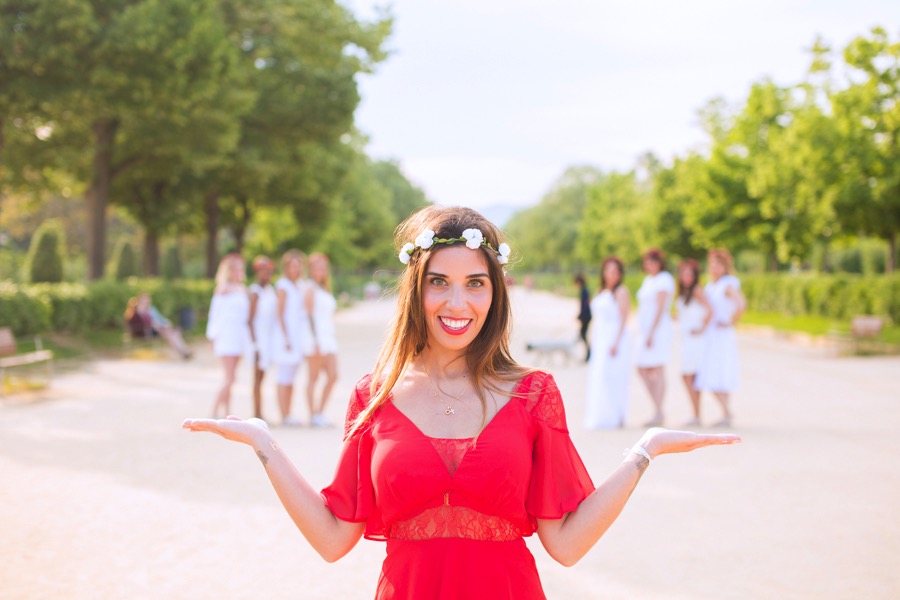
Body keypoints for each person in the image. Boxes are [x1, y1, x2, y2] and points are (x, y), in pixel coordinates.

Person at [183, 206, 740, 600]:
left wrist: (643, 453)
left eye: (476, 283)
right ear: (415, 290)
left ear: (494, 292)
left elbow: (565, 544)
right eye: (439, 282)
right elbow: (334, 539)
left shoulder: (533, 394)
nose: (458, 301)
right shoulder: (372, 398)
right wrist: (265, 443)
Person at [694, 249, 746, 427]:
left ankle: (726, 412)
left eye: (719, 265)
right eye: (713, 265)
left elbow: (741, 305)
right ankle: (726, 412)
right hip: (712, 335)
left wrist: (730, 321)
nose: (715, 268)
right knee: (711, 372)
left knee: (720, 371)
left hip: (722, 335)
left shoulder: (727, 284)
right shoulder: (712, 284)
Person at [584, 257, 632, 429]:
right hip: (601, 337)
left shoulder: (621, 292)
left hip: (614, 338)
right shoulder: (602, 291)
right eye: (609, 271)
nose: (612, 275)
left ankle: (615, 415)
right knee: (600, 376)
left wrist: (615, 342)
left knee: (613, 376)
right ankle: (602, 414)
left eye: (615, 272)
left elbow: (624, 318)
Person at [205, 253, 251, 418]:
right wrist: (213, 337)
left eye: (240, 269)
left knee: (232, 377)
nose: (238, 272)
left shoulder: (242, 289)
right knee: (229, 377)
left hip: (239, 336)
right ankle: (214, 410)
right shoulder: (222, 290)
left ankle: (227, 412)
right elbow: (215, 314)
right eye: (235, 269)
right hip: (226, 336)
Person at [635, 248, 676, 427]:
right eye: (647, 262)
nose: (650, 265)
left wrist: (651, 331)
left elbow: (660, 308)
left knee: (657, 368)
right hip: (645, 330)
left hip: (657, 330)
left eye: (653, 262)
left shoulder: (664, 279)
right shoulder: (648, 280)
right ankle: (657, 408)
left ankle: (658, 411)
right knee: (642, 368)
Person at [271, 250, 308, 426]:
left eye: (298, 264)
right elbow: (280, 313)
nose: (296, 268)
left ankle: (289, 412)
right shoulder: (283, 285)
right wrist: (286, 338)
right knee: (283, 377)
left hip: (298, 336)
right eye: (292, 265)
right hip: (286, 337)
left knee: (292, 378)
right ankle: (283, 414)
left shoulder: (300, 285)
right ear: (286, 267)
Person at [302, 252, 339, 428]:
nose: (320, 270)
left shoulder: (324, 288)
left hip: (328, 337)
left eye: (323, 267)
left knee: (333, 376)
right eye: (317, 267)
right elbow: (308, 316)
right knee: (313, 377)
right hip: (315, 338)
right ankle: (313, 415)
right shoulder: (309, 288)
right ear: (311, 269)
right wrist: (315, 340)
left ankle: (320, 412)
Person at [674, 259, 712, 426]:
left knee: (690, 376)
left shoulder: (697, 290)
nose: (686, 277)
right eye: (684, 274)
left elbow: (710, 310)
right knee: (688, 376)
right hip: (687, 340)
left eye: (690, 274)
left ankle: (696, 413)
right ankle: (696, 413)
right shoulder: (684, 292)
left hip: (696, 340)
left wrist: (702, 329)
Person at [248, 256, 277, 421]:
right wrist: (255, 345)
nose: (267, 275)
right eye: (264, 271)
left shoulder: (269, 290)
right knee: (257, 377)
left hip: (268, 339)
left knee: (263, 376)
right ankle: (257, 412)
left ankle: (260, 411)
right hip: (258, 340)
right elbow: (250, 320)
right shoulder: (255, 291)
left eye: (270, 272)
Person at [124, 292, 192, 359]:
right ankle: (183, 352)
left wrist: (165, 323)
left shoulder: (150, 309)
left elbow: (159, 319)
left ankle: (183, 351)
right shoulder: (137, 312)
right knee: (170, 334)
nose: (146, 301)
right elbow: (145, 323)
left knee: (171, 334)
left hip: (155, 329)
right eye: (143, 300)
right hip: (146, 331)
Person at [574, 274, 592, 362]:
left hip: (586, 317)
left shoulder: (584, 291)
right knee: (583, 335)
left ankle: (589, 353)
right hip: (586, 316)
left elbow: (585, 306)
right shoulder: (584, 291)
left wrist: (581, 316)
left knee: (583, 335)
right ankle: (588, 353)